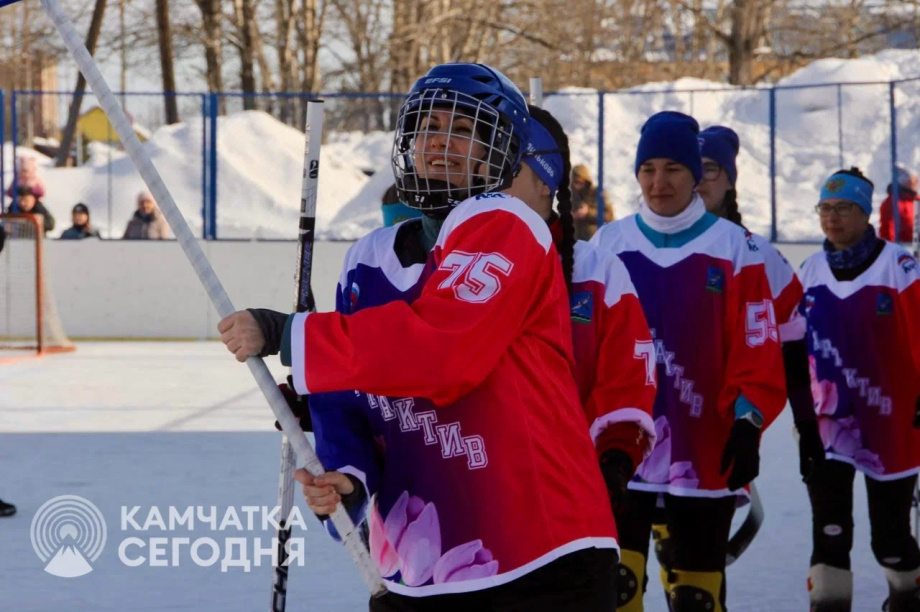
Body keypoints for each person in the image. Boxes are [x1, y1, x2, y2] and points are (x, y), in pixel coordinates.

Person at [218, 63, 620, 610]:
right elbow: (350, 395)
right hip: (419, 568)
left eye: (463, 130)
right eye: (428, 126)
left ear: (498, 150)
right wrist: (350, 478)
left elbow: (439, 351)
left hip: (540, 557)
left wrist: (288, 333)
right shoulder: (367, 259)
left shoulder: (507, 225)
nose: (439, 142)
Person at [591, 111, 786, 612]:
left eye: (674, 168)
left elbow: (758, 349)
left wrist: (748, 422)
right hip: (619, 452)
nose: (659, 182)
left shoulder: (735, 250)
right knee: (616, 591)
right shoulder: (606, 247)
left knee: (697, 597)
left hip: (706, 449)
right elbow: (582, 349)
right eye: (648, 168)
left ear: (696, 175)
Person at [793, 167, 920, 612]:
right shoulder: (809, 271)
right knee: (829, 531)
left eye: (843, 208)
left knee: (890, 535)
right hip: (829, 426)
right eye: (825, 209)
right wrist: (802, 417)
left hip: (892, 423)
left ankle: (908, 597)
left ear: (865, 213)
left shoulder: (899, 266)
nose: (832, 218)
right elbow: (792, 347)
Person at [696, 125, 823, 483]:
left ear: (730, 181)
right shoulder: (639, 243)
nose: (698, 179)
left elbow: (793, 340)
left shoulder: (754, 254)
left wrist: (806, 422)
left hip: (724, 431)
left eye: (710, 168)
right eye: (691, 166)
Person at [571, 164, 614, 240]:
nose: (577, 185)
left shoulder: (598, 193)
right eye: (575, 182)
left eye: (580, 182)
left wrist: (588, 213)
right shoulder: (571, 195)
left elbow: (609, 216)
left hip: (595, 241)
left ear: (586, 180)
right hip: (575, 242)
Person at [879, 163, 919, 244]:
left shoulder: (915, 200)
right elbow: (886, 231)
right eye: (911, 180)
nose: (916, 183)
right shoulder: (892, 203)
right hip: (904, 249)